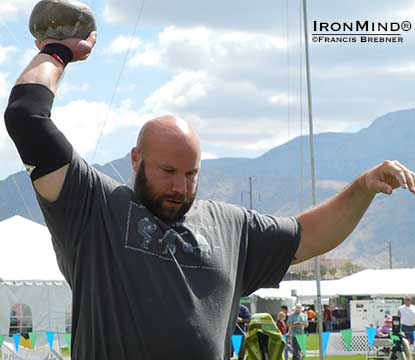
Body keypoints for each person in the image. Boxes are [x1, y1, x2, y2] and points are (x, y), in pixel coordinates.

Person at [4, 27, 415, 360]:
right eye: (167, 171)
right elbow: (27, 118)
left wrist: (362, 189)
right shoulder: (92, 209)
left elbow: (309, 235)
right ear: (135, 158)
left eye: (191, 174)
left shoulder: (230, 226)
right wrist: (57, 52)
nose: (180, 187)